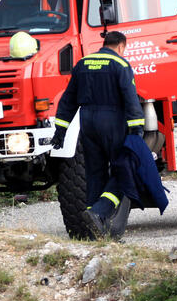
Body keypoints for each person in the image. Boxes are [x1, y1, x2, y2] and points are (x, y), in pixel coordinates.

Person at [52, 31, 145, 237]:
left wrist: (61, 129)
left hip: (87, 122)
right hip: (112, 122)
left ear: (105, 43)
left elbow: (68, 99)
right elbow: (130, 98)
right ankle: (100, 211)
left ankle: (94, 228)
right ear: (121, 46)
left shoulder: (83, 64)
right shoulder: (120, 64)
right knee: (125, 170)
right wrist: (137, 128)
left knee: (95, 174)